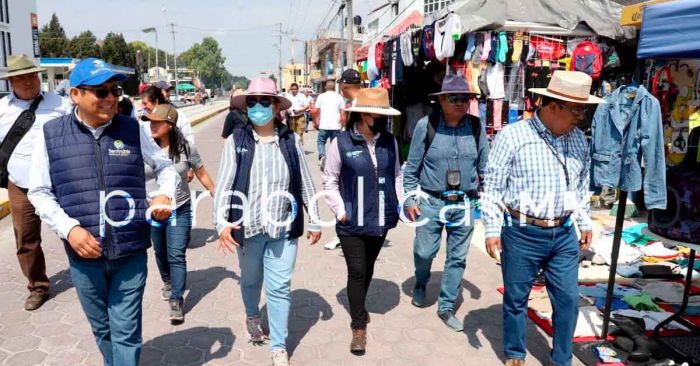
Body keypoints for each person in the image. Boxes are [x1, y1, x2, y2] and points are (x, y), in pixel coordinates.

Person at [28, 57, 178, 366]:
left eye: (115, 90)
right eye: (100, 91)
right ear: (75, 95)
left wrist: (164, 194)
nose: (110, 98)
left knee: (125, 332)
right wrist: (69, 229)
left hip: (130, 250)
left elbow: (165, 167)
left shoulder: (132, 129)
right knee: (103, 329)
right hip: (83, 257)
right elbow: (40, 192)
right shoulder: (50, 135)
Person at [481, 71, 599, 366]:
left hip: (563, 234)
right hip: (521, 233)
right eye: (577, 109)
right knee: (516, 298)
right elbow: (493, 186)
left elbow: (581, 185)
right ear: (554, 105)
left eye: (584, 109)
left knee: (568, 300)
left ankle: (562, 359)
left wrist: (584, 220)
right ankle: (515, 353)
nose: (581, 117)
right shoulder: (513, 136)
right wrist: (492, 229)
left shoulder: (579, 142)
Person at [213, 77, 321, 366]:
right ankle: (251, 314)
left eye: (264, 101)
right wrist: (221, 223)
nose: (258, 107)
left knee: (279, 286)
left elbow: (305, 181)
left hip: (283, 227)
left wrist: (316, 219)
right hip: (247, 228)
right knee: (250, 279)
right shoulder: (237, 141)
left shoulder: (290, 140)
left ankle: (278, 345)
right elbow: (224, 185)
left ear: (276, 106)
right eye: (252, 102)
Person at [403, 73, 489, 332]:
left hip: (464, 204)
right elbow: (411, 168)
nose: (461, 103)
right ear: (441, 101)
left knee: (457, 258)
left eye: (466, 98)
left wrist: (489, 200)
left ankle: (447, 305)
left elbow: (486, 166)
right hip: (431, 202)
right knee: (424, 252)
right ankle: (421, 282)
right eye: (454, 98)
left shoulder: (476, 126)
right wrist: (409, 199)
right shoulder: (425, 126)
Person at [323, 88, 401, 355]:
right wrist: (340, 209)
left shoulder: (389, 141)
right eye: (379, 115)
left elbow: (397, 176)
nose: (383, 120)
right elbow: (330, 181)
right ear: (365, 114)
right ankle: (358, 327)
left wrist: (401, 204)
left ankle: (359, 306)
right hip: (351, 221)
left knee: (367, 268)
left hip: (380, 218)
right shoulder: (341, 143)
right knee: (356, 270)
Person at [0, 54, 72, 311]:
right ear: (11, 82)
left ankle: (89, 271)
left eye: (32, 76)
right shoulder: (2, 110)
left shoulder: (61, 104)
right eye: (21, 78)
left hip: (59, 182)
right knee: (26, 239)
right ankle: (38, 286)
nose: (29, 82)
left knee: (73, 228)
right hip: (21, 185)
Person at [143, 103, 215, 324]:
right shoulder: (144, 148)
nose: (152, 126)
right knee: (160, 250)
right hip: (153, 211)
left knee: (176, 253)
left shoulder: (186, 148)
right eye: (150, 122)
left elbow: (201, 172)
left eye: (157, 122)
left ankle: (177, 299)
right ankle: (167, 280)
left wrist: (216, 193)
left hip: (180, 207)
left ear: (170, 124)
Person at [314, 79, 345, 171]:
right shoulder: (339, 97)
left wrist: (316, 122)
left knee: (321, 142)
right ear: (334, 87)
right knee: (335, 144)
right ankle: (333, 161)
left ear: (325, 87)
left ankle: (322, 156)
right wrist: (343, 124)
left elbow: (316, 111)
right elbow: (343, 113)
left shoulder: (321, 97)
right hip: (336, 125)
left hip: (323, 125)